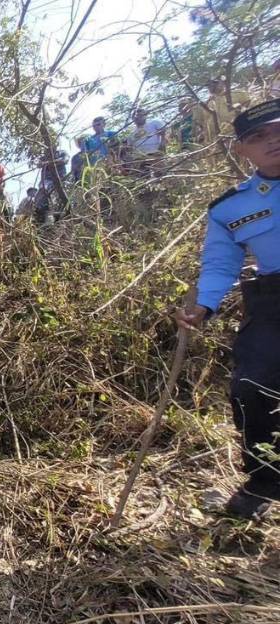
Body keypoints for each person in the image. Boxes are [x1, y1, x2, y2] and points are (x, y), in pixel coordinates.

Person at [175, 99, 280, 520]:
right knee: (250, 387)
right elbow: (221, 262)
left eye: (277, 130)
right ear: (242, 150)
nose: (272, 141)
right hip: (272, 302)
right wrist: (203, 305)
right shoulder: (230, 208)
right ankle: (265, 479)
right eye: (259, 137)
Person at [128, 107, 167, 174]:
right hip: (140, 158)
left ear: (145, 116)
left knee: (159, 173)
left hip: (154, 153)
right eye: (136, 116)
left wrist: (162, 144)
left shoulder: (154, 123)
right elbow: (130, 147)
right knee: (143, 176)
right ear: (133, 119)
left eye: (141, 115)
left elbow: (163, 133)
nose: (138, 117)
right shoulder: (131, 133)